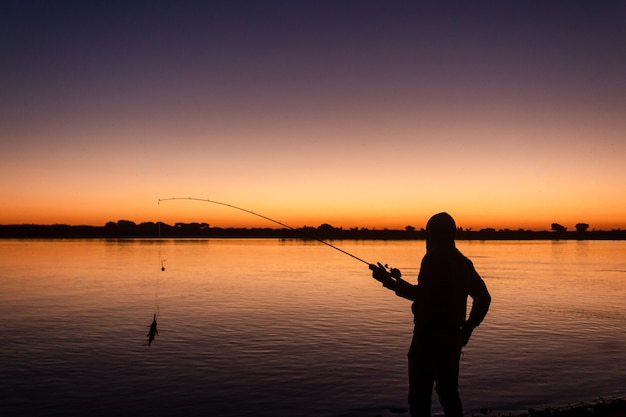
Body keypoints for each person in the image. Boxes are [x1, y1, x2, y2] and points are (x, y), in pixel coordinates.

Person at [370, 212, 491, 417]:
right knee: (449, 395)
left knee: (419, 397)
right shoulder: (463, 261)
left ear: (432, 233)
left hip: (427, 338)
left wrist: (388, 281)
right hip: (453, 338)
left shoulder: (433, 258)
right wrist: (468, 328)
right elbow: (483, 298)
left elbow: (422, 296)